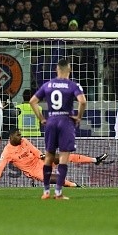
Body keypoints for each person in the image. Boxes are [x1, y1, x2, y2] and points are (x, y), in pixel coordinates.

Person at [29, 59, 87, 200]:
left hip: (51, 120)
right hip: (66, 120)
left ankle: (46, 192)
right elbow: (83, 101)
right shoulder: (72, 85)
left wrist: (41, 118)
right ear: (70, 69)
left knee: (48, 156)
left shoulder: (48, 85)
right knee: (63, 157)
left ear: (56, 69)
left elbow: (32, 101)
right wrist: (78, 116)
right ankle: (59, 192)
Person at [0, 128, 111, 188]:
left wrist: (42, 155)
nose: (21, 137)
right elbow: (1, 167)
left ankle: (95, 160)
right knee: (56, 178)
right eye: (18, 135)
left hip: (40, 161)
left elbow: (35, 150)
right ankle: (75, 186)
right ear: (11, 137)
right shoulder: (7, 152)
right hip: (34, 171)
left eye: (21, 134)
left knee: (64, 156)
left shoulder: (24, 141)